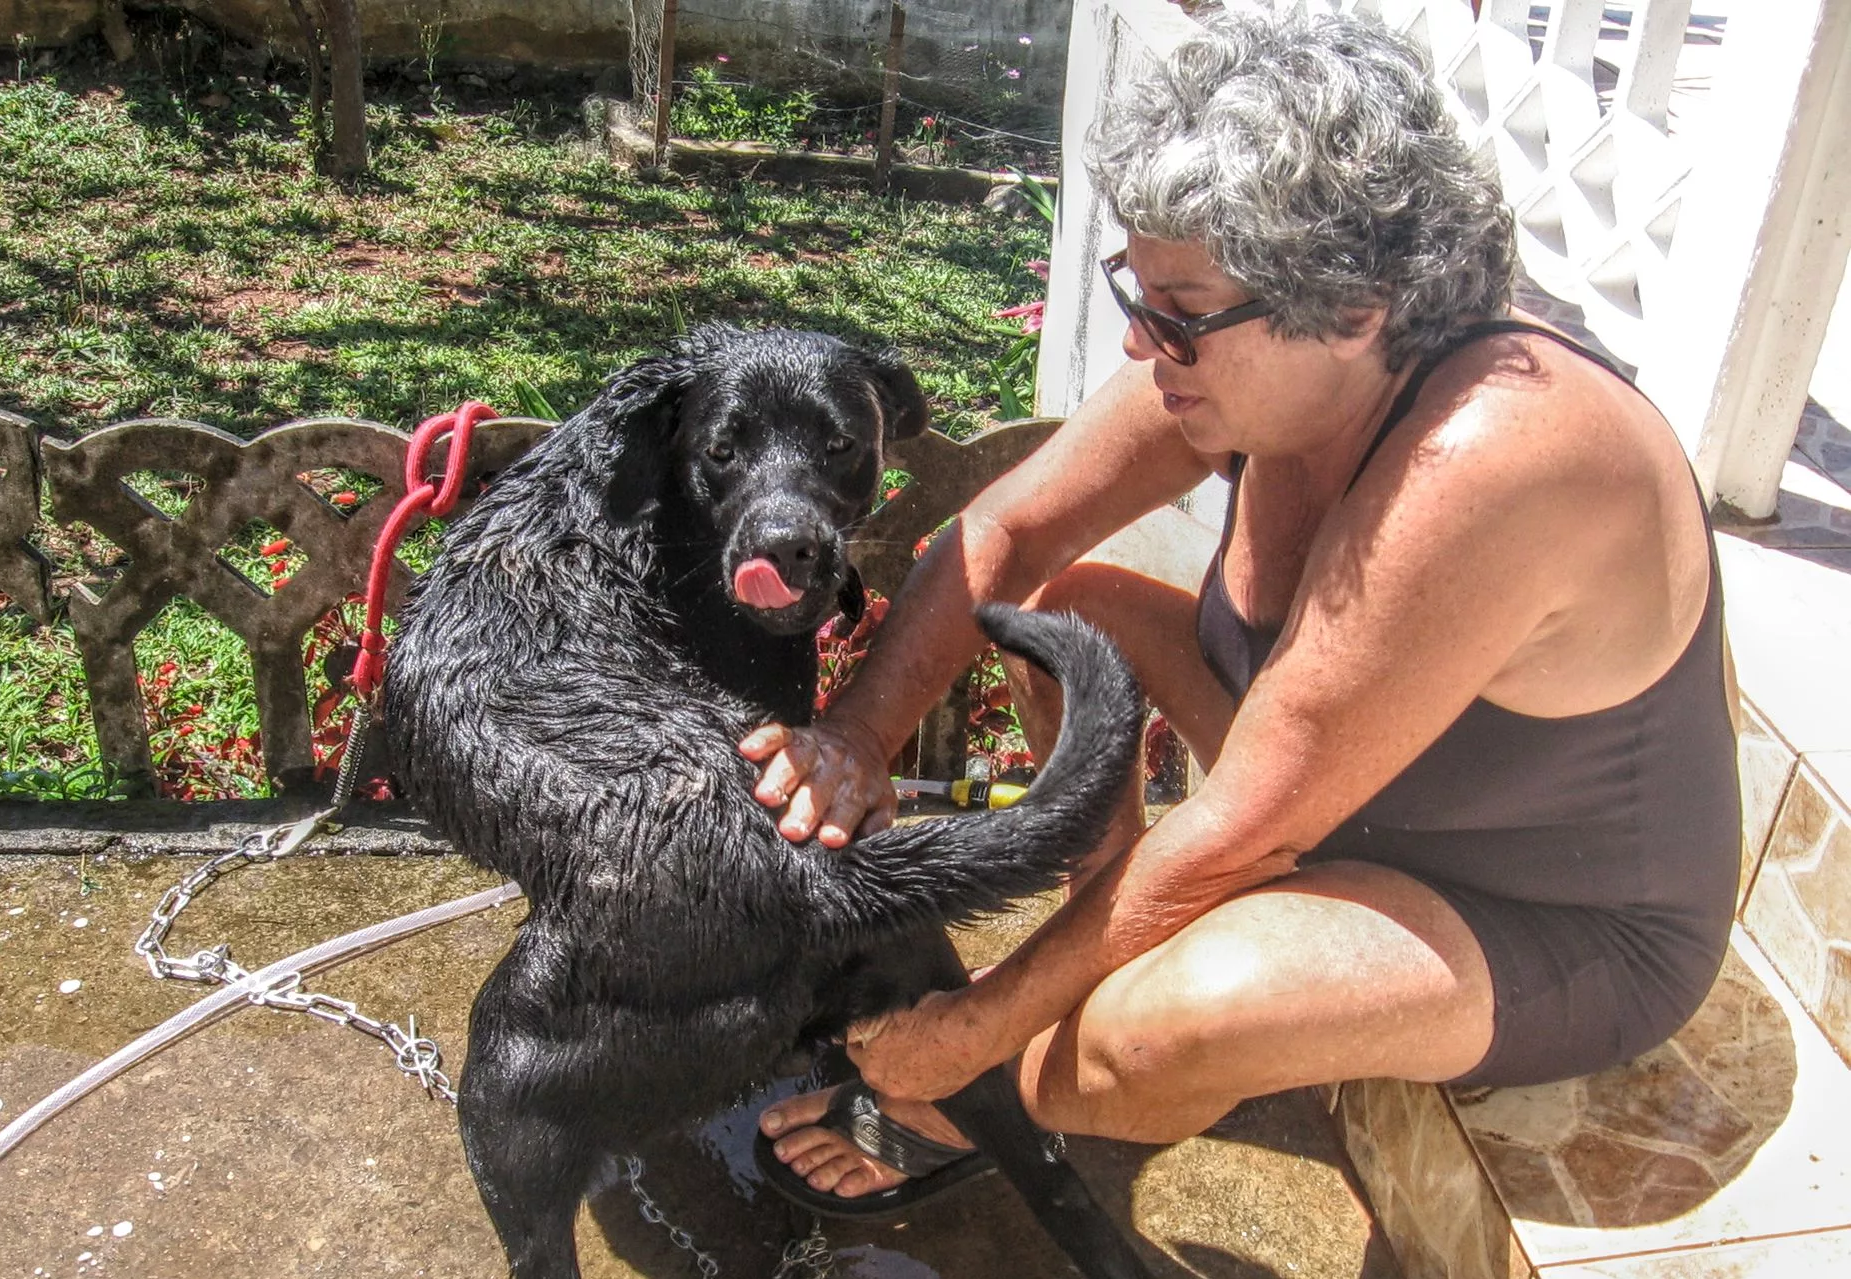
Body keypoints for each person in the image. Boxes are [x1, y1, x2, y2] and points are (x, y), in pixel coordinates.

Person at [742, 8, 1741, 1206]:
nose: (1140, 343)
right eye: (1137, 291)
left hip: (1538, 917)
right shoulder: (1275, 354)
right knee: (1061, 617)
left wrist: (970, 1034)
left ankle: (970, 1110)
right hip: (1331, 810)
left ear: (1354, 308)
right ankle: (1097, 936)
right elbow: (1008, 532)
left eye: (1176, 313)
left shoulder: (1497, 460)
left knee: (1153, 1034)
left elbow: (1242, 829)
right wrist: (855, 740)